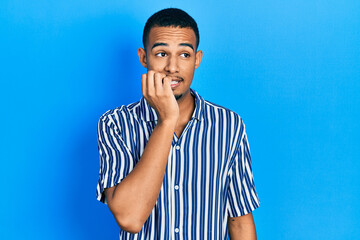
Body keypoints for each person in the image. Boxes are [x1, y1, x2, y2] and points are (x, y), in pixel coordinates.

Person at [96, 8, 260, 239]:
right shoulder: (115, 124)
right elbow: (129, 218)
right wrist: (167, 121)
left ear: (197, 60)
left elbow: (240, 222)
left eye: (184, 54)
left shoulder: (229, 125)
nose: (172, 67)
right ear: (144, 58)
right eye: (161, 53)